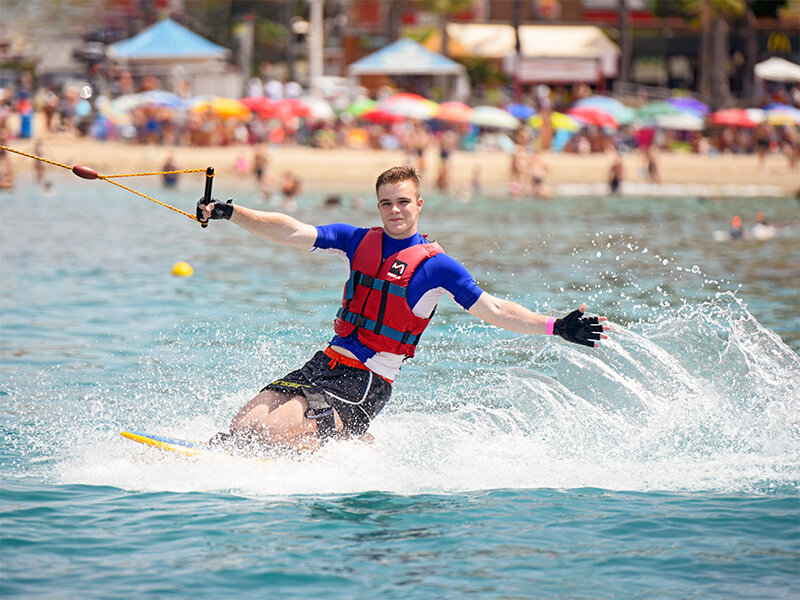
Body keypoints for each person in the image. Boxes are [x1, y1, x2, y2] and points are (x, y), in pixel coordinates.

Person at [197, 166, 610, 453]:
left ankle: (348, 438)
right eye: (386, 203)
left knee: (267, 437)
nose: (395, 210)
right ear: (378, 206)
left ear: (419, 204)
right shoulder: (357, 241)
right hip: (325, 363)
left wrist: (554, 325)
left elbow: (496, 309)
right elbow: (289, 229)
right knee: (243, 429)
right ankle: (339, 436)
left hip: (368, 381)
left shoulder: (435, 266)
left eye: (403, 202)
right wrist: (230, 212)